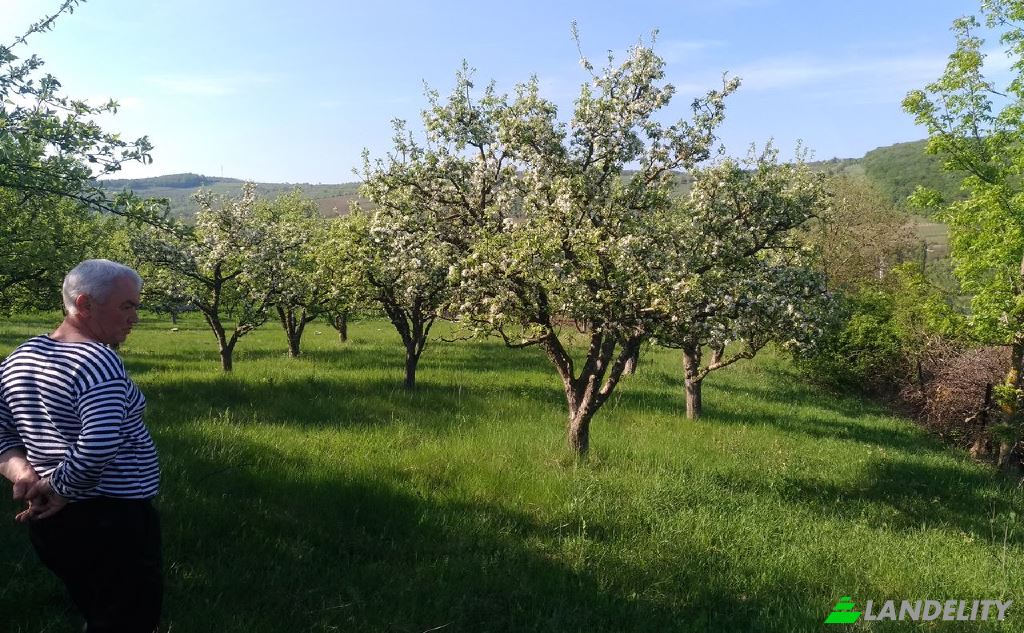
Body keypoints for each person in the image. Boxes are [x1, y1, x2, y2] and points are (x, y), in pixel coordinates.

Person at [0, 259, 162, 633]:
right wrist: (58, 489)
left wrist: (24, 474)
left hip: (53, 524)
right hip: (111, 521)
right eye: (127, 306)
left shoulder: (22, 357)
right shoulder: (97, 361)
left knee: (98, 610)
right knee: (130, 622)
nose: (135, 318)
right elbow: (98, 446)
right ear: (86, 304)